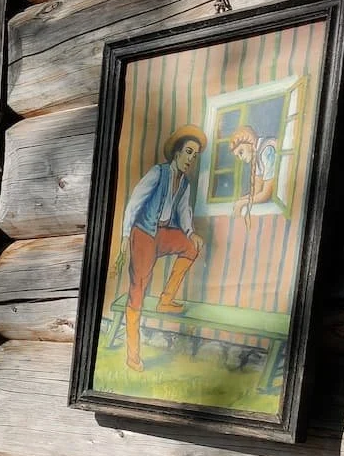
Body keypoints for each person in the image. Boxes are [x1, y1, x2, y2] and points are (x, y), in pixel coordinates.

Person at [115, 125, 207, 371]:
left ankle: (166, 300)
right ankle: (132, 354)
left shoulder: (185, 184)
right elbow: (134, 202)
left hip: (163, 233)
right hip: (143, 233)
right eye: (188, 152)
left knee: (191, 247)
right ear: (177, 153)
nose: (190, 159)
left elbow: (184, 212)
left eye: (194, 155)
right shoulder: (158, 172)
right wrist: (125, 235)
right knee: (138, 290)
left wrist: (191, 233)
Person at [229, 125, 280, 217]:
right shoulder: (256, 156)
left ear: (249, 141)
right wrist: (240, 201)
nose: (241, 158)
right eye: (238, 156)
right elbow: (256, 191)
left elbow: (265, 194)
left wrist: (241, 203)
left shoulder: (267, 150)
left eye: (241, 152)